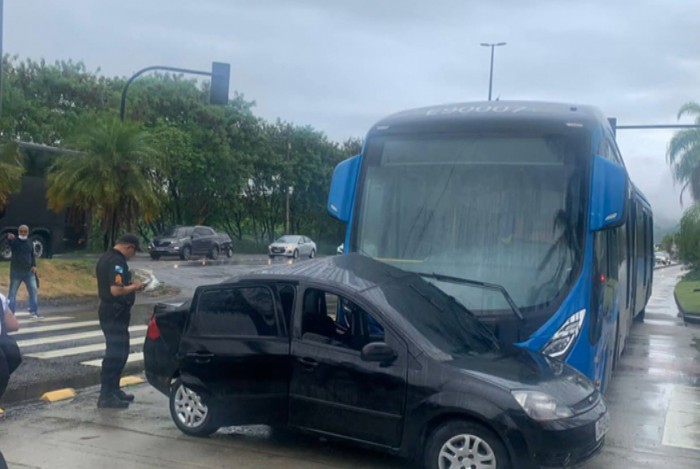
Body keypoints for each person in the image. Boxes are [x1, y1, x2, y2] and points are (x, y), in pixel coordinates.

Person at [95, 233, 145, 409]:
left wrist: (128, 284)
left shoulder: (106, 258)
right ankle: (106, 395)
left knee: (121, 351)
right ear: (128, 247)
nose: (134, 255)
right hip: (114, 311)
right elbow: (116, 290)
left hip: (111, 311)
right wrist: (135, 287)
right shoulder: (117, 262)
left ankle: (113, 390)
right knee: (115, 353)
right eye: (134, 251)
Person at [6, 225, 40, 318]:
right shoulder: (15, 241)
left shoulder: (29, 242)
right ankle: (10, 313)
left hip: (29, 271)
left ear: (28, 232)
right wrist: (9, 239)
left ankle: (33, 311)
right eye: (21, 231)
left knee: (33, 291)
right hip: (16, 272)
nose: (23, 233)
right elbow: (10, 243)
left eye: (25, 232)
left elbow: (32, 255)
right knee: (12, 293)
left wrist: (34, 265)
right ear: (18, 232)